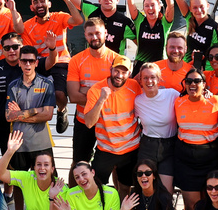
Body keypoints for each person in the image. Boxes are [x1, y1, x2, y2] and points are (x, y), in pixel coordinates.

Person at [26, 0, 85, 132]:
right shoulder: (28, 26)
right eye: (36, 2)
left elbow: (78, 19)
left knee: (59, 94)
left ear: (49, 4)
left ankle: (62, 110)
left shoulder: (59, 17)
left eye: (42, 1)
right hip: (41, 64)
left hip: (61, 63)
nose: (39, 4)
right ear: (31, 7)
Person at [174, 68, 218, 210]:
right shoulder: (178, 103)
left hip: (210, 158)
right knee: (190, 205)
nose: (193, 84)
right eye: (189, 81)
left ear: (204, 85)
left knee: (210, 202)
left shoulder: (216, 102)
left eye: (197, 81)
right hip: (186, 158)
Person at [82, 55, 141, 190]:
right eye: (116, 71)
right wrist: (101, 99)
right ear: (111, 69)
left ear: (129, 73)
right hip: (106, 149)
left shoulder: (134, 86)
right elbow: (89, 123)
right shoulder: (97, 90)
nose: (119, 75)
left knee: (126, 188)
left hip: (130, 149)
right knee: (96, 188)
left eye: (124, 72)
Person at [66, 18, 116, 166]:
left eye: (98, 33)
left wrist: (86, 90)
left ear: (105, 33)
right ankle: (74, 190)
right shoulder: (76, 60)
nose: (94, 37)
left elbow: (117, 96)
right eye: (90, 34)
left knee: (114, 164)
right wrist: (102, 96)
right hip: (83, 121)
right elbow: (74, 96)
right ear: (85, 35)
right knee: (78, 163)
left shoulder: (116, 60)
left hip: (108, 122)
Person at [5, 45, 57, 171]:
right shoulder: (13, 86)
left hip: (41, 143)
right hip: (18, 143)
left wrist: (20, 114)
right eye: (24, 61)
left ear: (36, 63)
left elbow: (47, 115)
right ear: (19, 63)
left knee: (47, 182)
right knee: (18, 184)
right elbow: (9, 116)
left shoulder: (46, 84)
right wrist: (35, 110)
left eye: (31, 61)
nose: (27, 64)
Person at [133, 62, 180, 193]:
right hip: (148, 146)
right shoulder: (137, 101)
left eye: (153, 77)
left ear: (159, 79)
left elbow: (189, 103)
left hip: (169, 146)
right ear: (140, 80)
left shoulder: (172, 95)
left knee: (166, 192)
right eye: (145, 78)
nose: (149, 81)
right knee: (146, 190)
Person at [124, 0, 175, 72]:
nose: (150, 8)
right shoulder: (140, 21)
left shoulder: (164, 23)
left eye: (153, 5)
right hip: (140, 67)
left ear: (159, 7)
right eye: (147, 6)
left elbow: (170, 6)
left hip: (160, 66)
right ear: (143, 9)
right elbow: (131, 3)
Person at [171, 0, 218, 71]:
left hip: (205, 70)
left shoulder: (214, 28)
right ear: (190, 9)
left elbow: (217, 54)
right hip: (187, 66)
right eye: (195, 7)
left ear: (207, 6)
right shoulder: (190, 18)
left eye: (201, 6)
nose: (199, 10)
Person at [0, 32, 24, 146]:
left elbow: (49, 63)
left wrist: (52, 49)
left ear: (22, 47)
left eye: (15, 47)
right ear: (2, 50)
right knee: (7, 162)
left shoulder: (30, 65)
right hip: (3, 125)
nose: (11, 51)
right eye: (7, 48)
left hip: (28, 124)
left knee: (31, 162)